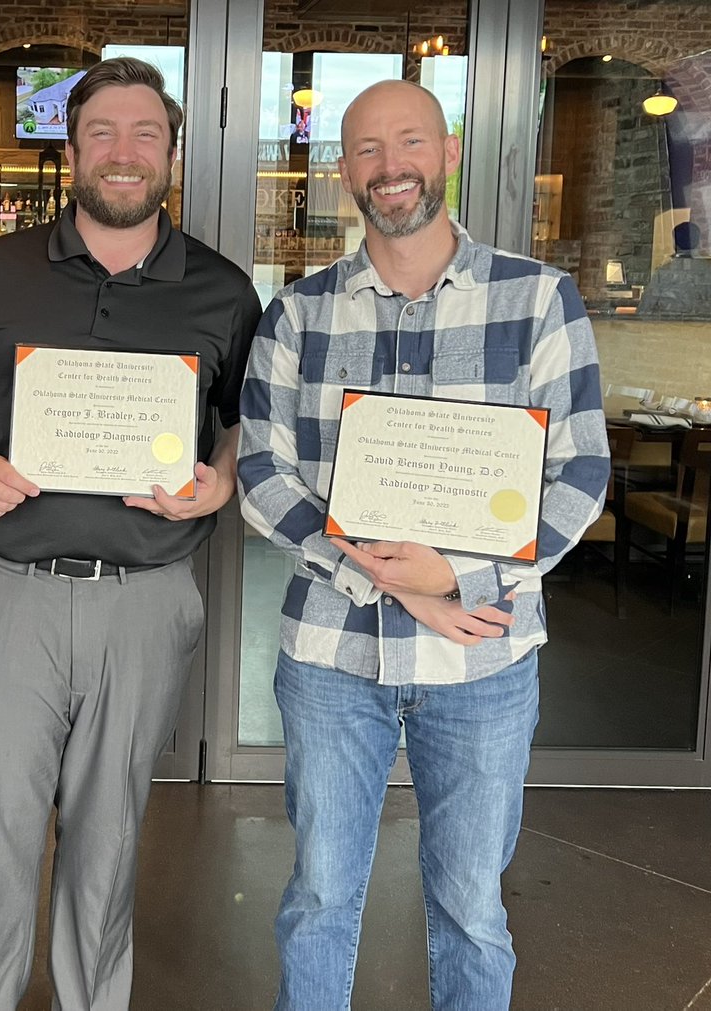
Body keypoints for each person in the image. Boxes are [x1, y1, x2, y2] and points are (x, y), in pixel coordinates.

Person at [237, 80, 610, 1010]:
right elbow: (259, 478)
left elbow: (582, 475)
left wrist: (458, 574)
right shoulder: (297, 315)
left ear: (447, 153)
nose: (388, 166)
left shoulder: (538, 301)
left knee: (472, 904)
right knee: (320, 895)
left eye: (408, 143)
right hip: (331, 655)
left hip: (482, 652)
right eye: (364, 149)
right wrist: (403, 586)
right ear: (342, 173)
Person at [0, 56, 261, 1011]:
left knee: (107, 841)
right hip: (7, 595)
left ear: (171, 152)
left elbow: (239, 422)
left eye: (144, 134)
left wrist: (219, 483)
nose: (123, 152)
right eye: (102, 133)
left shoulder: (224, 293)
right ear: (71, 150)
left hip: (145, 600)